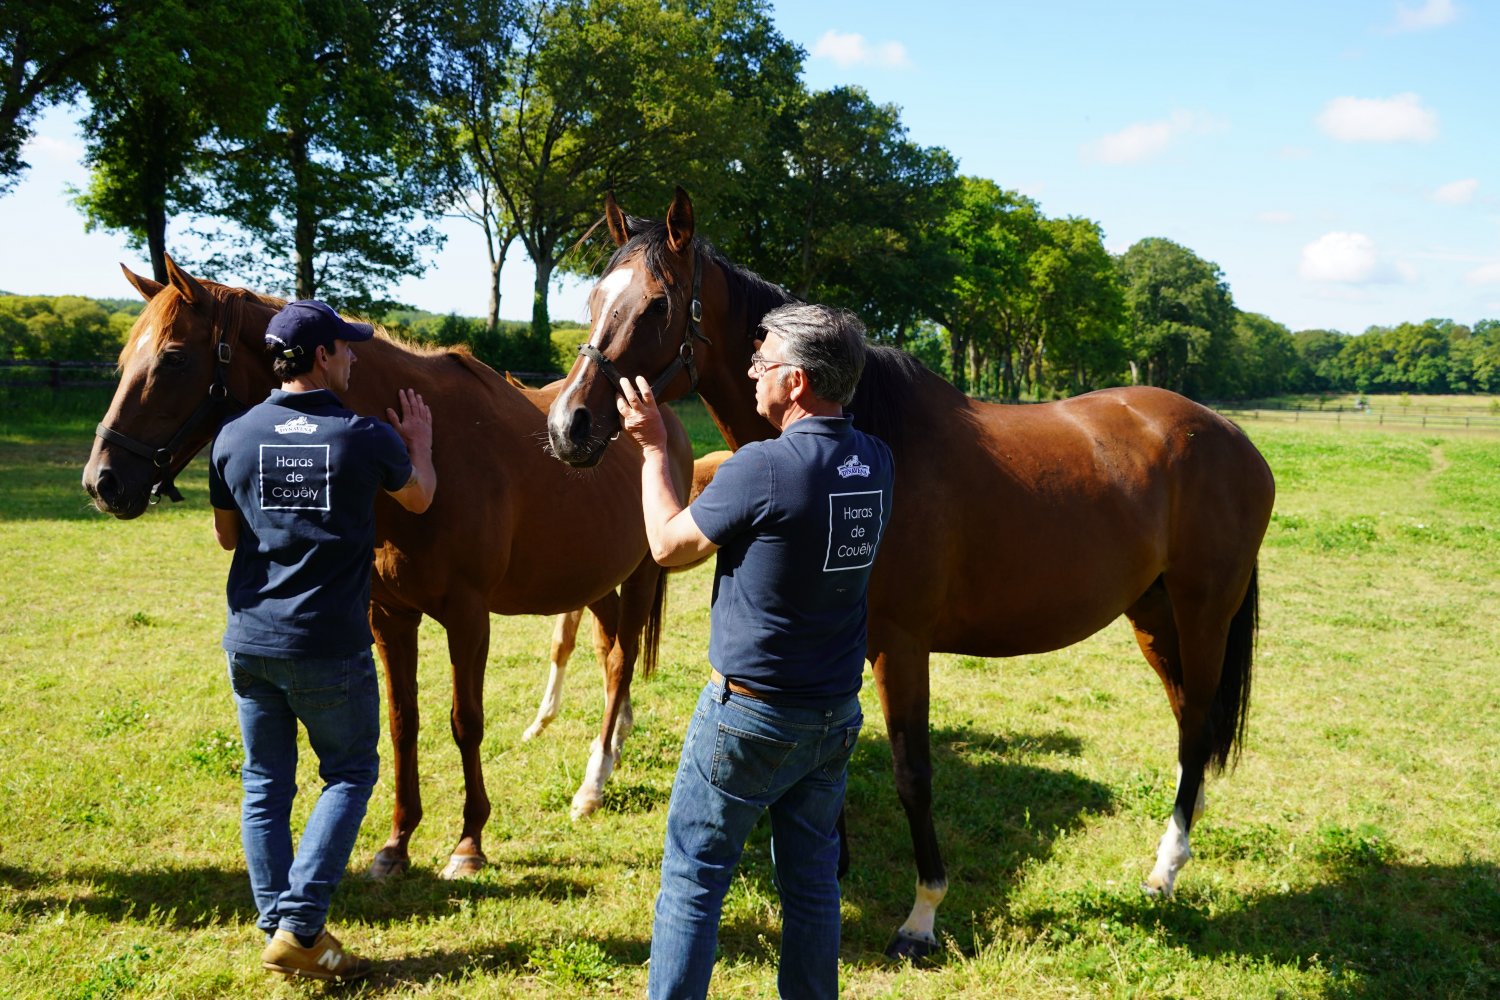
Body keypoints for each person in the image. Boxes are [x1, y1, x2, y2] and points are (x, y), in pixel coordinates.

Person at [614, 303, 895, 1000]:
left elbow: (667, 546)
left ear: (796, 381)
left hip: (750, 715)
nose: (750, 373)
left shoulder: (762, 467)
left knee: (694, 877)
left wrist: (654, 450)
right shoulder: (878, 459)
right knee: (812, 883)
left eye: (761, 362)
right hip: (834, 713)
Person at [208, 299, 436, 982]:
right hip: (328, 643)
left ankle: (280, 930)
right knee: (351, 773)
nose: (354, 356)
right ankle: (301, 926)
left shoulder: (234, 436)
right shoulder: (365, 436)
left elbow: (226, 535)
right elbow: (420, 498)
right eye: (345, 347)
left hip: (251, 639)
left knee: (264, 784)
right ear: (320, 356)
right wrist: (420, 443)